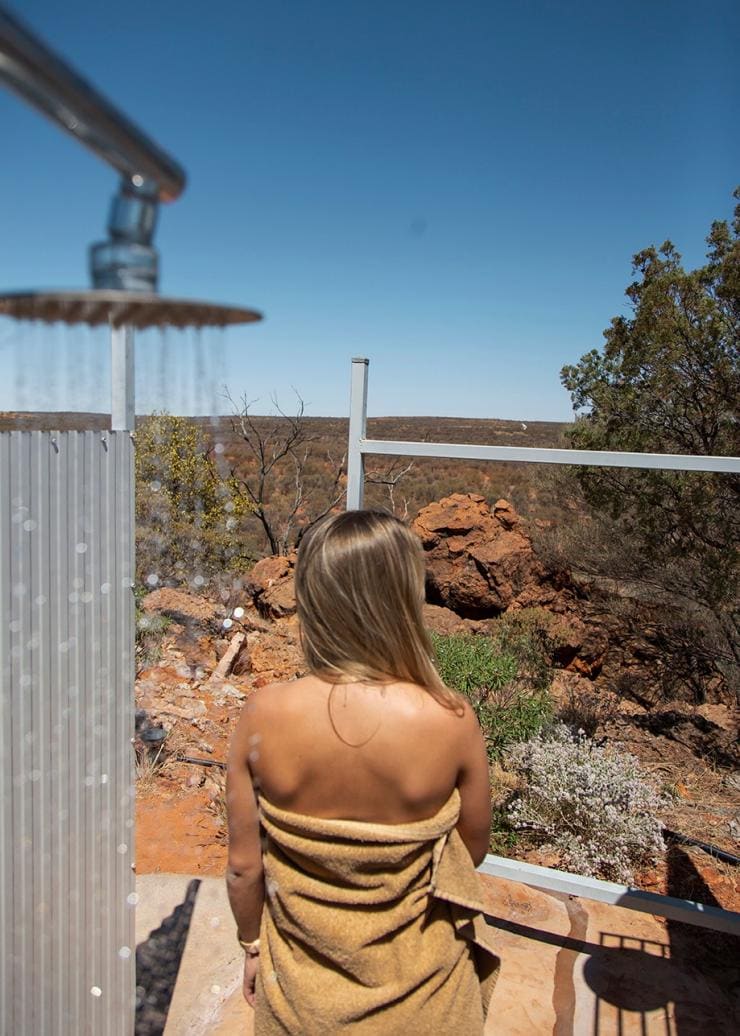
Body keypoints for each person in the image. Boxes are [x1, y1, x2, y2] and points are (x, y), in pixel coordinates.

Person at [226, 510, 499, 1035]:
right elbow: (473, 850)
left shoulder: (262, 713)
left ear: (313, 599)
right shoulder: (451, 719)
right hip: (427, 1001)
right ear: (404, 599)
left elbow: (243, 868)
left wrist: (253, 945)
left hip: (302, 1005)